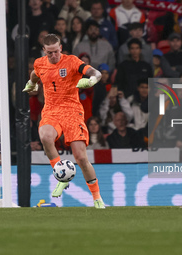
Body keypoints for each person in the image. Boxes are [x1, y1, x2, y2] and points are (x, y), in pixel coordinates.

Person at [22, 34, 105, 209]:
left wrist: (91, 80)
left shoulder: (72, 61)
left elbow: (95, 72)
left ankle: (97, 197)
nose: (54, 56)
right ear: (44, 51)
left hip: (72, 111)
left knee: (81, 157)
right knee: (45, 137)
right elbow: (35, 73)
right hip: (51, 110)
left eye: (56, 51)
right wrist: (32, 83)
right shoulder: (40, 63)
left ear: (61, 48)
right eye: (50, 53)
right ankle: (61, 175)